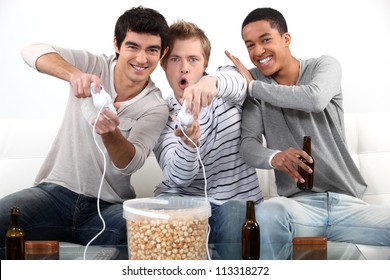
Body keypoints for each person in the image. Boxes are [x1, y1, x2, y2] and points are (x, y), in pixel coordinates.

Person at [188, 7, 390, 251]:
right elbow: (248, 145)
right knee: (270, 212)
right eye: (250, 45)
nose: (258, 51)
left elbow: (314, 99)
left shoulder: (323, 66)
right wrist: (275, 157)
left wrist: (254, 88)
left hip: (348, 205)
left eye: (265, 40)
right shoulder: (253, 83)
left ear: (286, 39)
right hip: (298, 207)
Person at [0, 6, 170, 247]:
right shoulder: (93, 65)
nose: (141, 59)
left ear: (162, 53)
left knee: (151, 237)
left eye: (151, 50)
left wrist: (110, 134)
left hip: (107, 208)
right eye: (132, 46)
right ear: (116, 44)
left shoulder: (156, 106)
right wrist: (73, 74)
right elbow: (31, 50)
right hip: (53, 195)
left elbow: (131, 163)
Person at [153, 20, 263, 246]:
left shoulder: (224, 85)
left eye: (193, 59)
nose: (184, 67)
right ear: (163, 63)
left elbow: (241, 82)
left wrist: (212, 82)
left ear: (205, 63)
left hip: (235, 202)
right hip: (183, 202)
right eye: (175, 59)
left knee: (234, 217)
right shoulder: (160, 114)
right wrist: (189, 144)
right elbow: (178, 178)